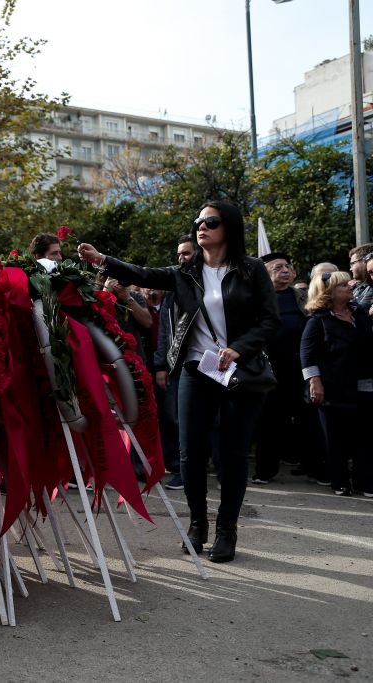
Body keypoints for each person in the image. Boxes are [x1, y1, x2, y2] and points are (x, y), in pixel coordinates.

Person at [78, 200, 279, 563]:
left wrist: (239, 348)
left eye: (211, 221)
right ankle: (197, 524)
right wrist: (101, 259)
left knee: (233, 453)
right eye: (199, 221)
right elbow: (142, 273)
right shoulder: (185, 272)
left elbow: (269, 320)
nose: (202, 226)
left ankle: (227, 530)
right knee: (190, 453)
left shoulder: (251, 270)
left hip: (240, 372)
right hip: (196, 370)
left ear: (229, 227)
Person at [301, 271, 373, 497]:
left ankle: (364, 481)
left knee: (364, 436)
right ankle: (339, 481)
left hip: (362, 384)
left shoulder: (358, 313)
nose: (350, 286)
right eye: (342, 285)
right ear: (329, 292)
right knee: (334, 438)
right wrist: (315, 383)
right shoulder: (317, 320)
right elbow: (307, 355)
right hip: (332, 388)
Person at [251, 253, 314, 485]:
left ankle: (313, 467)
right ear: (265, 273)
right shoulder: (256, 298)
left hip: (300, 367)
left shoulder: (303, 297)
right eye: (278, 267)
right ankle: (265, 471)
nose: (285, 270)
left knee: (307, 418)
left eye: (287, 266)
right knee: (269, 420)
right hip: (269, 368)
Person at [153, 235, 195, 490]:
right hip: (177, 367)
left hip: (211, 364)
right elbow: (164, 332)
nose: (181, 258)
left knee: (213, 422)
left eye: (186, 253)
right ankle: (180, 469)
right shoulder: (173, 290)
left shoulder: (215, 286)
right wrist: (161, 365)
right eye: (179, 253)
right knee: (175, 418)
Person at [348, 244, 373, 313]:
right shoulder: (354, 286)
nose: (350, 269)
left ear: (365, 261)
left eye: (353, 263)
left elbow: (358, 312)